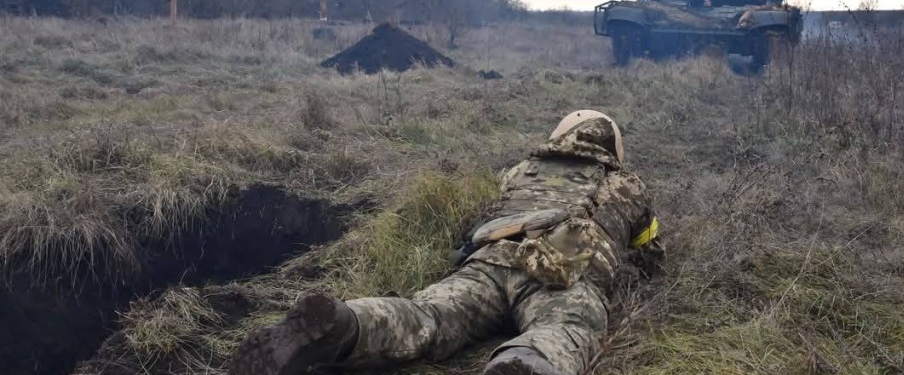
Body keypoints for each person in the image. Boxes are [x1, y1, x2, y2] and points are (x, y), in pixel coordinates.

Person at [228, 110, 662, 375]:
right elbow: (648, 251)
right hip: (565, 276)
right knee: (568, 328)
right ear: (614, 150)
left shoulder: (519, 170)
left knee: (427, 316)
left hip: (491, 259)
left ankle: (346, 325)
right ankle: (527, 363)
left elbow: (488, 215)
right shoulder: (627, 184)